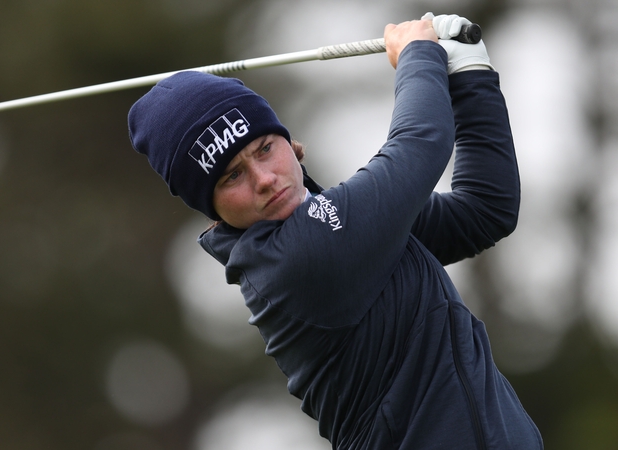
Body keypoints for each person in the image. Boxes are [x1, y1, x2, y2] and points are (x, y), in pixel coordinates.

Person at [128, 13, 543, 450]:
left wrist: (471, 73)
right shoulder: (297, 260)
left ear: (289, 142)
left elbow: (484, 210)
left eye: (265, 148)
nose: (265, 178)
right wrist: (419, 55)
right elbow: (421, 143)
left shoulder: (338, 224)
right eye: (232, 176)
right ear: (210, 208)